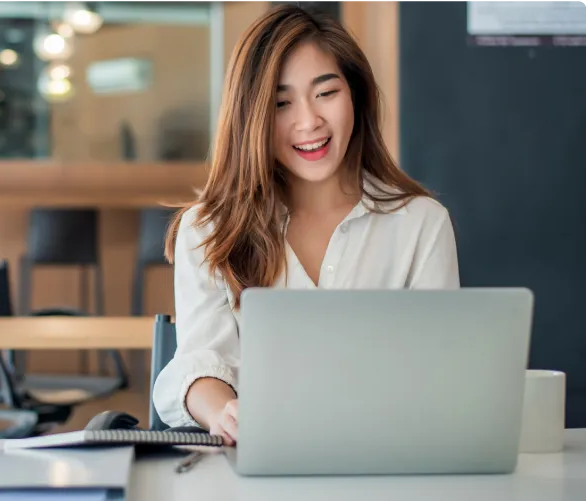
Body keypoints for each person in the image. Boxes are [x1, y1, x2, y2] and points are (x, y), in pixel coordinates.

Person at [152, 5, 460, 445]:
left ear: (356, 94)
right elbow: (202, 363)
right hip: (256, 463)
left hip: (388, 458)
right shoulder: (209, 229)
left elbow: (441, 371)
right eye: (281, 103)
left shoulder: (421, 225)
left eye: (326, 93)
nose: (309, 121)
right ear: (252, 116)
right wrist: (225, 412)